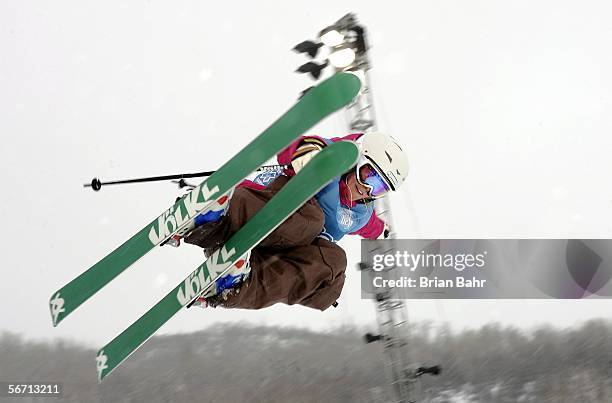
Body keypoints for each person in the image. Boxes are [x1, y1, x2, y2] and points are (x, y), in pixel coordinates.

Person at [178, 131, 409, 310]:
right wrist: (307, 154)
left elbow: (369, 226)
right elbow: (299, 146)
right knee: (312, 220)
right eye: (368, 175)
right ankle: (212, 216)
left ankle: (235, 284)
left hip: (265, 255)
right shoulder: (332, 162)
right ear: (357, 158)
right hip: (247, 219)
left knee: (334, 264)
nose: (367, 188)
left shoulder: (361, 214)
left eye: (379, 188)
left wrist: (381, 231)